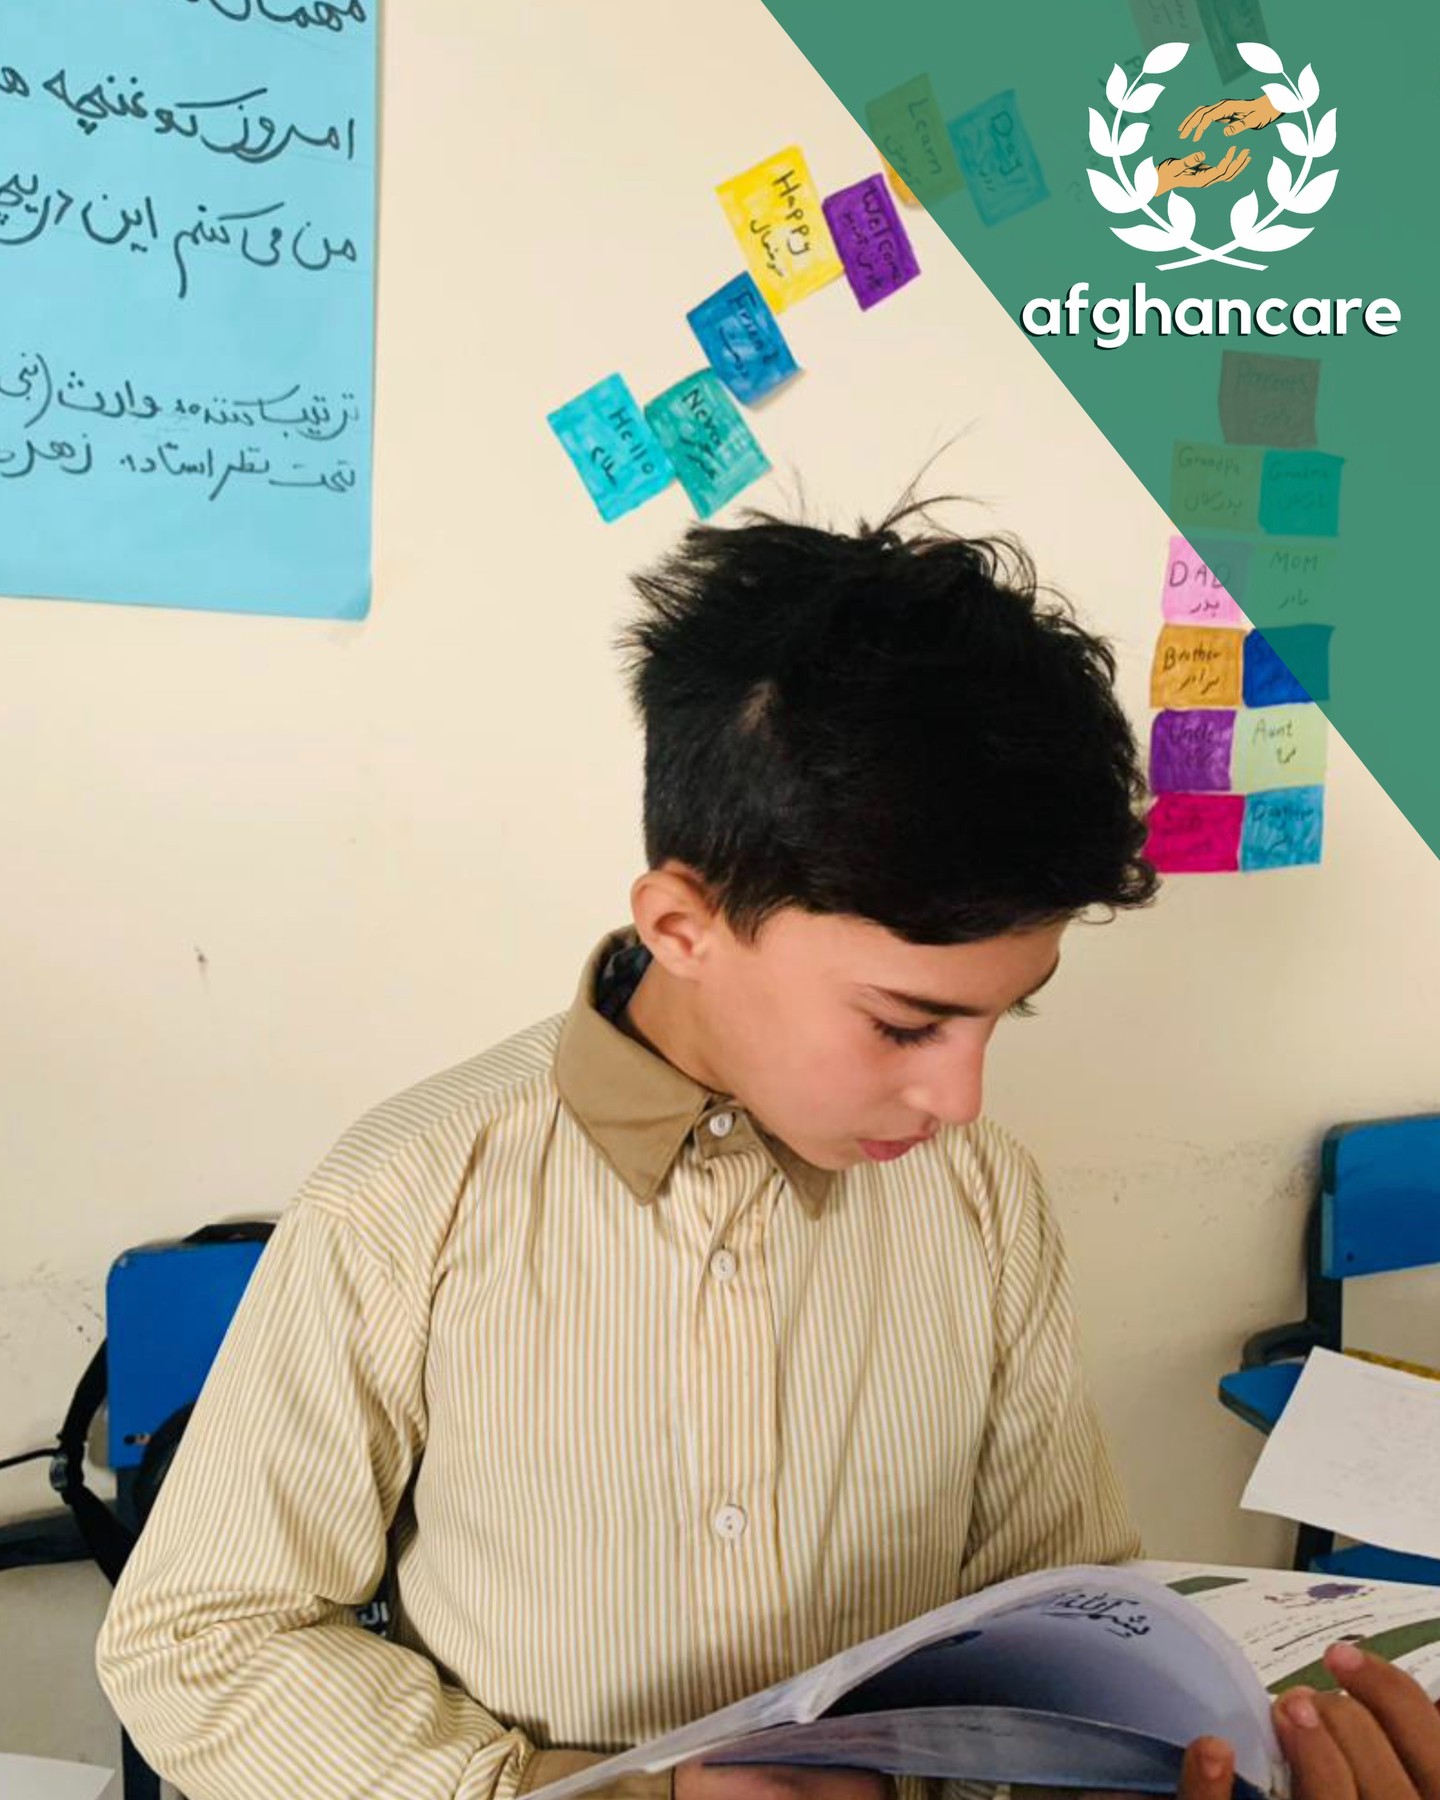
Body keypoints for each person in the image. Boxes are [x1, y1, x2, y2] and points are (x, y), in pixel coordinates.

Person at [93, 505, 1431, 1800]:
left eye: (997, 1020)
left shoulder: (983, 1204)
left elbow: (1063, 1613)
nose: (960, 1097)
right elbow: (202, 1641)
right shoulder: (413, 1197)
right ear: (684, 923)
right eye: (909, 1023)